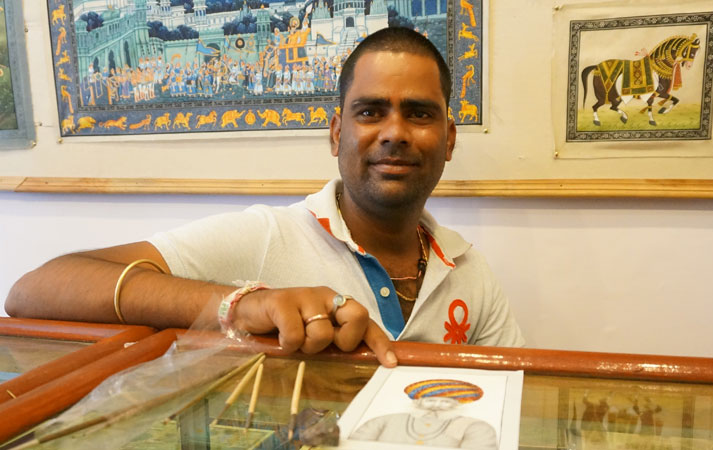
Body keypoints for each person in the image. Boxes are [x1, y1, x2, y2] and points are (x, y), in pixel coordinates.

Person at [5, 27, 523, 368]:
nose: (394, 133)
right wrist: (242, 305)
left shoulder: (468, 271)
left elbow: (516, 402)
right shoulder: (267, 236)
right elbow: (33, 291)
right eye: (369, 112)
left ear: (448, 140)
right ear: (336, 134)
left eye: (419, 113)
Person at [349, 379, 497, 448]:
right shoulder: (384, 421)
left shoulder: (474, 427)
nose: (436, 405)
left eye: (445, 402)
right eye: (430, 400)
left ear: (457, 405)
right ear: (418, 402)